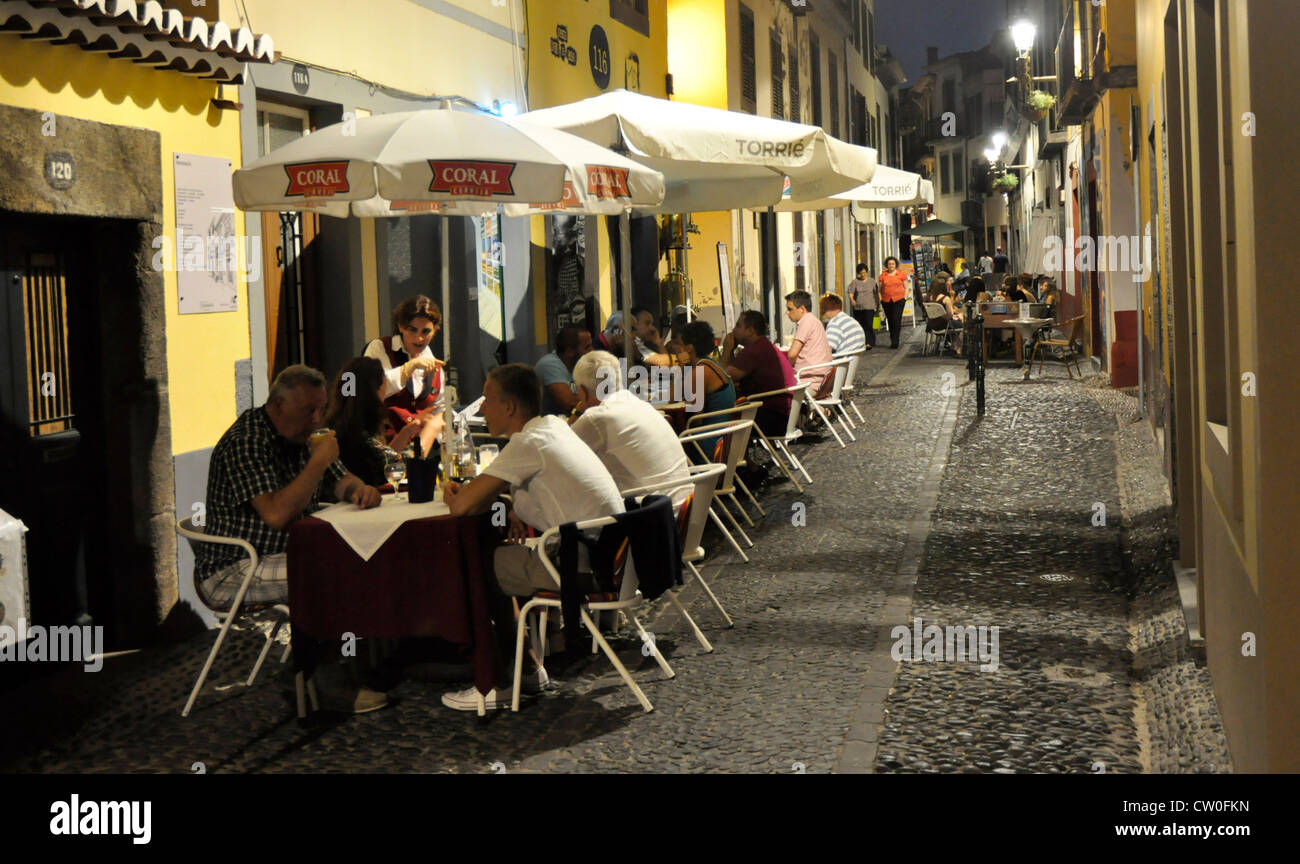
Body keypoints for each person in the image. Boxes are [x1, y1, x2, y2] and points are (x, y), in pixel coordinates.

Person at [196, 365, 385, 713]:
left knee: (361, 560)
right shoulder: (248, 441)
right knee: (326, 576)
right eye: (307, 411)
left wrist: (361, 490)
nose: (316, 419)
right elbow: (276, 515)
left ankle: (320, 670)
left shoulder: (301, 435)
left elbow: (342, 480)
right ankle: (329, 686)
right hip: (235, 567)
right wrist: (316, 464)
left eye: (321, 409)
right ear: (277, 406)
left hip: (286, 555)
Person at [440, 364, 624, 710]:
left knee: (478, 564)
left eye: (487, 400)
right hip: (615, 557)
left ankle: (492, 683)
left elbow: (461, 507)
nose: (480, 408)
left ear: (509, 408)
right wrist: (505, 504)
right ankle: (525, 667)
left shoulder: (527, 443)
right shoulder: (553, 427)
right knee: (501, 556)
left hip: (583, 565)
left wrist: (453, 495)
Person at [570, 350, 692, 505]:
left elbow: (561, 454)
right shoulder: (640, 404)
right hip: (687, 508)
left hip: (656, 516)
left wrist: (577, 411)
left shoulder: (598, 417)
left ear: (582, 391)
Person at [363, 295, 447, 457]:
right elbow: (371, 391)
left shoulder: (435, 364)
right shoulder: (380, 348)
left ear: (436, 329)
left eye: (426, 331)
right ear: (401, 327)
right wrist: (409, 366)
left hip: (421, 451)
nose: (419, 338)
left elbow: (440, 410)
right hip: (382, 449)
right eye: (412, 330)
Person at [325, 357, 427, 489]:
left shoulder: (337, 423)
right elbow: (390, 464)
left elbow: (382, 455)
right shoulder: (359, 432)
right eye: (385, 384)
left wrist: (407, 432)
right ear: (374, 390)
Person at [722, 310, 796, 436]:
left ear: (750, 331)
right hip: (785, 413)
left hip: (771, 417)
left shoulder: (753, 350)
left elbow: (723, 379)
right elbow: (732, 373)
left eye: (738, 326)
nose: (733, 330)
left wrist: (726, 350)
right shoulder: (762, 345)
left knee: (721, 418)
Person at [535, 324, 593, 416]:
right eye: (587, 347)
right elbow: (569, 403)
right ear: (569, 351)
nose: (592, 351)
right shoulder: (549, 365)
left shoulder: (581, 365)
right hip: (549, 427)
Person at [784, 290, 834, 389]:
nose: (787, 312)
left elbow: (792, 354)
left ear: (802, 309)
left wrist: (785, 369)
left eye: (790, 309)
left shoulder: (805, 322)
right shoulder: (814, 320)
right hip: (822, 377)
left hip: (809, 381)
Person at [877, 257, 910, 350]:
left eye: (892, 264)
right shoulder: (883, 275)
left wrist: (905, 298)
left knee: (896, 319)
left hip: (899, 300)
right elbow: (879, 289)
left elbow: (906, 287)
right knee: (890, 320)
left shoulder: (901, 274)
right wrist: (880, 299)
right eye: (889, 264)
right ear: (886, 265)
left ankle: (895, 340)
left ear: (896, 265)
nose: (891, 265)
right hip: (886, 300)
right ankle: (893, 338)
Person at [846, 263, 878, 349]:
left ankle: (869, 342)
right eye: (860, 273)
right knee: (860, 325)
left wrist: (877, 304)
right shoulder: (855, 282)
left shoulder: (872, 282)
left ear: (867, 272)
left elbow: (876, 293)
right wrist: (852, 300)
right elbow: (851, 293)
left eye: (864, 272)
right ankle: (861, 342)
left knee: (868, 324)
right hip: (858, 307)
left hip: (869, 306)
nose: (863, 275)